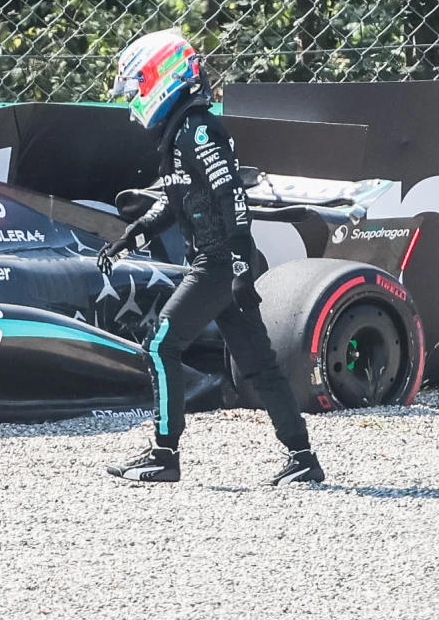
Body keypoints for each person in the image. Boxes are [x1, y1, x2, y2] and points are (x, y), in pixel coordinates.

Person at [99, 29, 324, 486]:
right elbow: (182, 196)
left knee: (162, 344)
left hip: (219, 264)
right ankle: (304, 458)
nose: (135, 98)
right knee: (258, 365)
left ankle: (164, 454)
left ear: (163, 77)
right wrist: (137, 232)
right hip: (224, 266)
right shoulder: (184, 127)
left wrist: (239, 267)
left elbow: (230, 196)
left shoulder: (198, 130)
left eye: (139, 85)